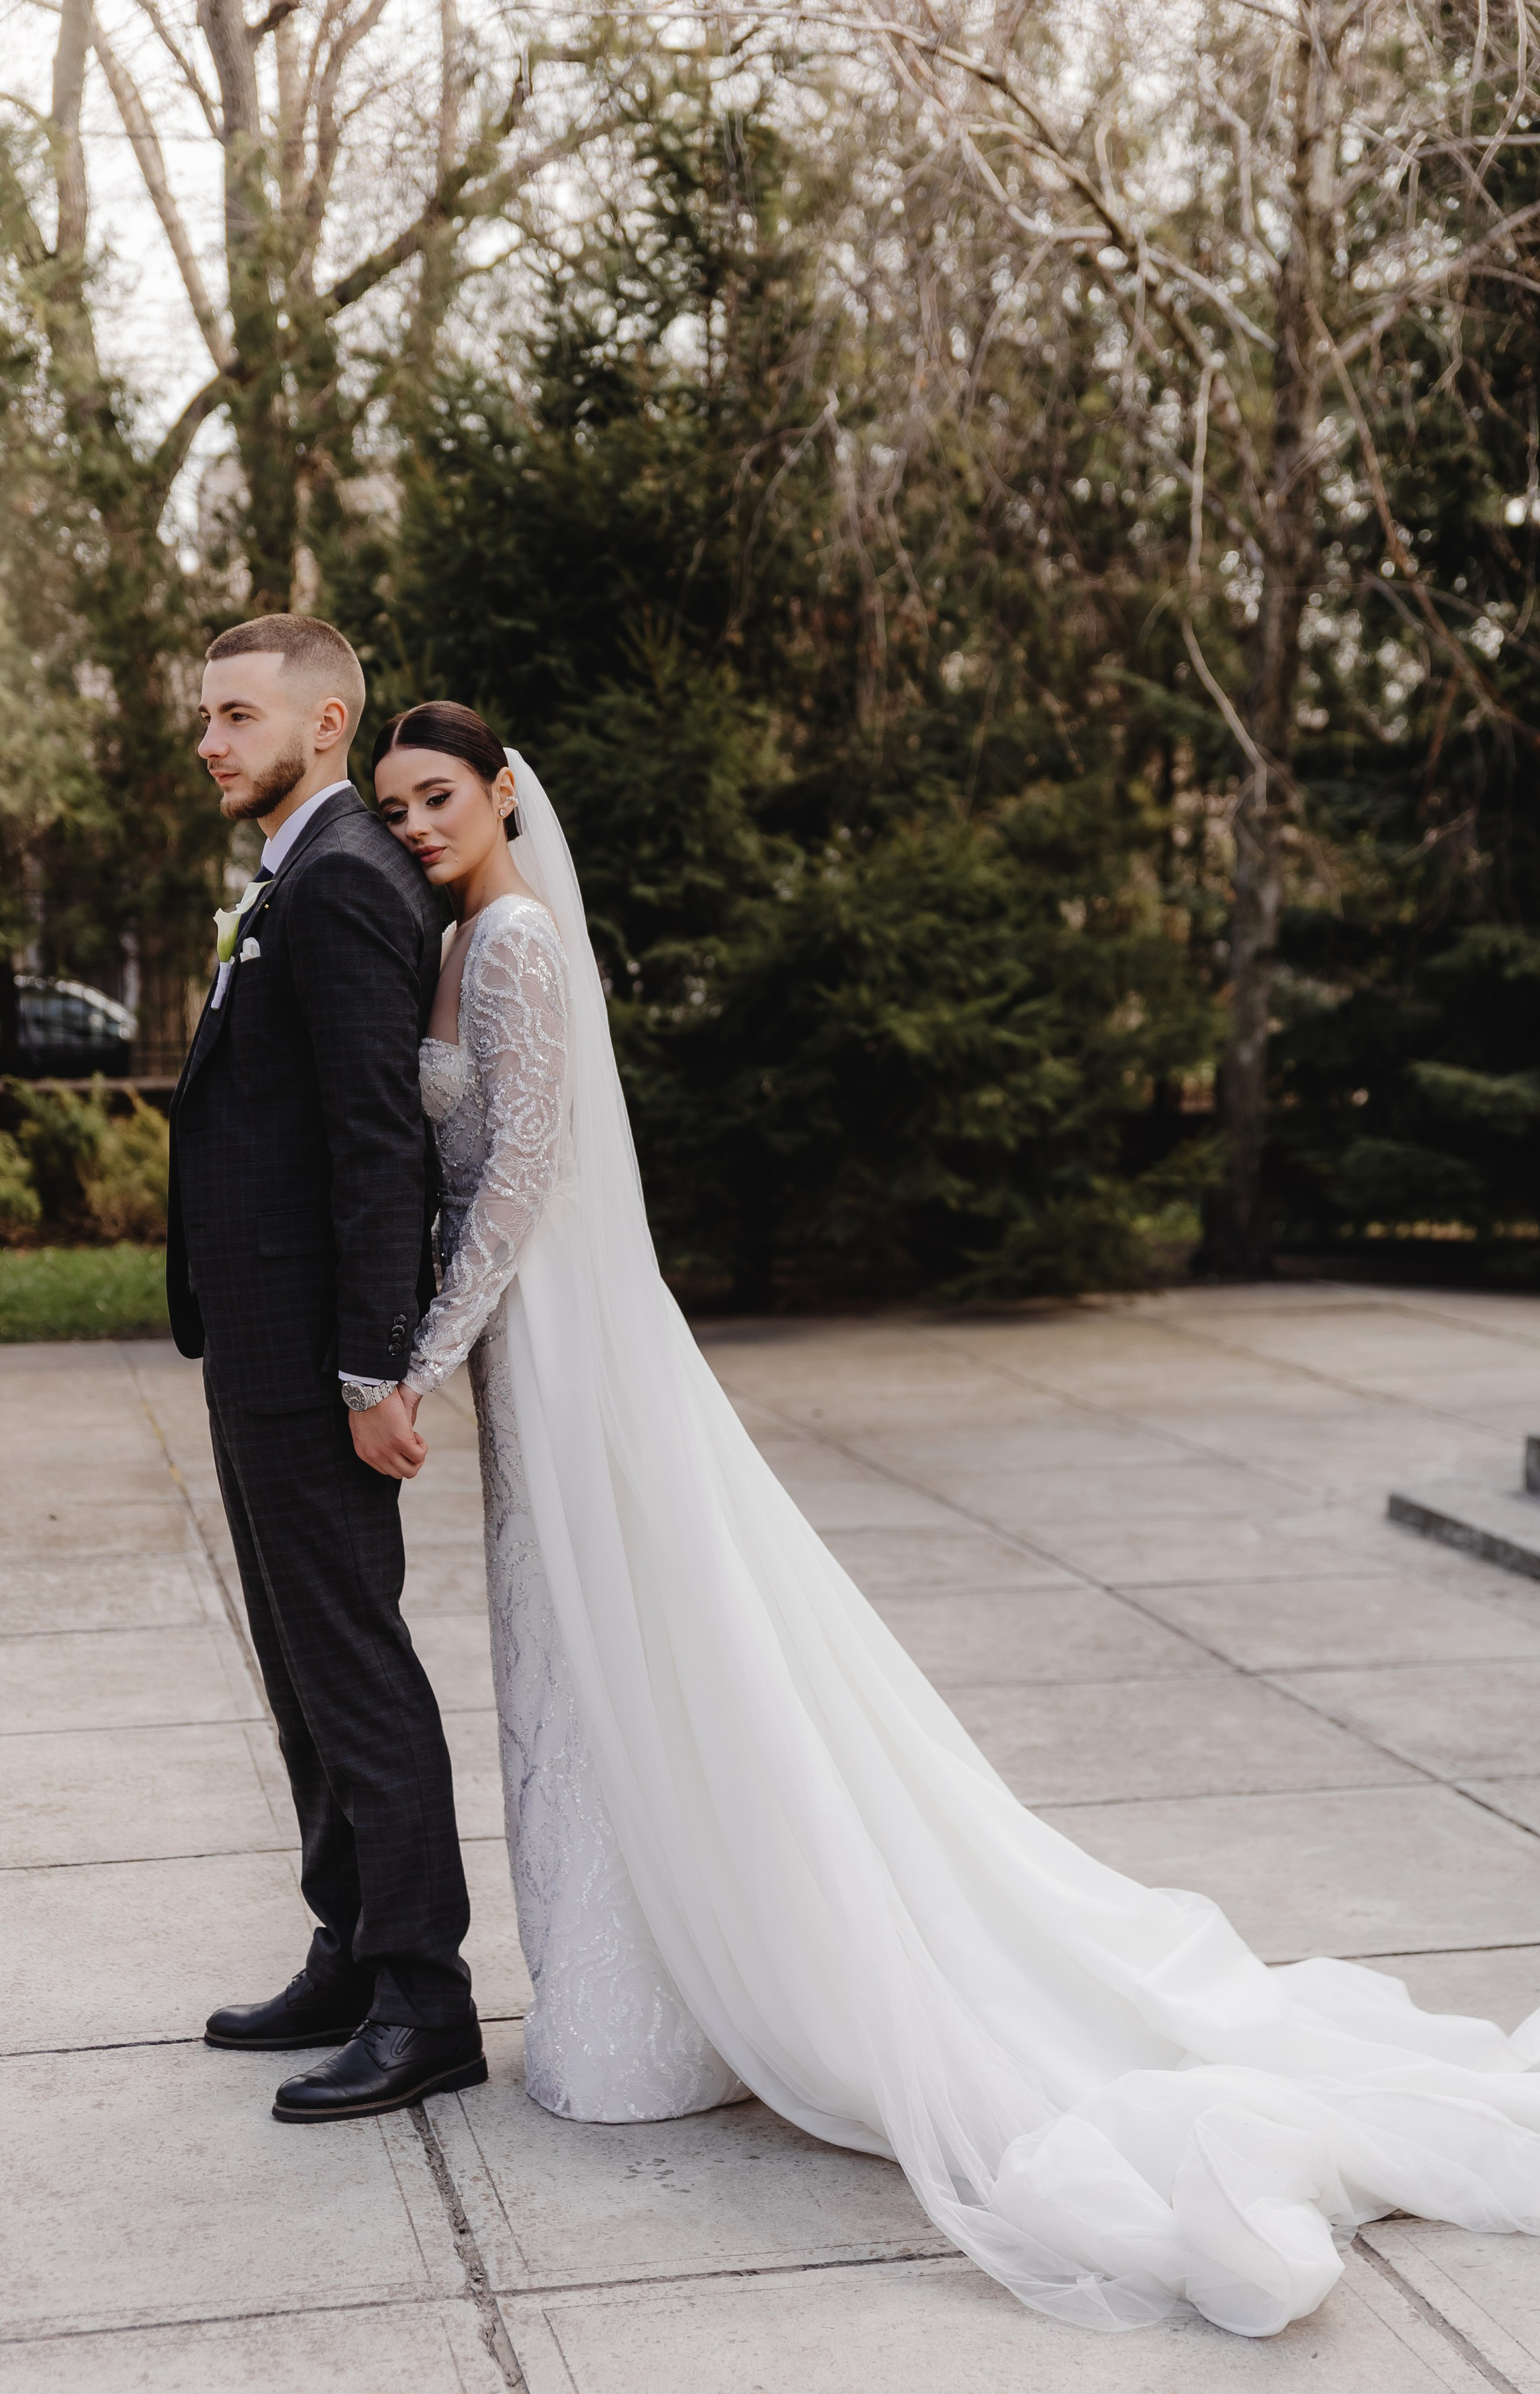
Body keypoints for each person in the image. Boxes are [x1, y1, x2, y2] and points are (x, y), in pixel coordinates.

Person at [376, 698, 1540, 2339]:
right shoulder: (463, 930)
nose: (418, 822)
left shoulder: (513, 947)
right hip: (531, 1348)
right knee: (581, 1658)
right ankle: (638, 2008)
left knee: (609, 1650)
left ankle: (646, 2027)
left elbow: (518, 1176)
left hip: (563, 1341)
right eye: (398, 805)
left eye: (439, 794)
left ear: (504, 793)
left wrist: (422, 1350)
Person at [168, 617, 485, 2124]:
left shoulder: (349, 879)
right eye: (205, 719)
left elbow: (381, 1142)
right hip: (256, 1340)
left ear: (327, 718)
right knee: (297, 1666)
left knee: (351, 1663)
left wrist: (377, 1368)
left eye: (237, 714)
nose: (212, 742)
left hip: (314, 1355)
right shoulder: (296, 873)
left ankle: (426, 1998)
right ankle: (349, 1947)